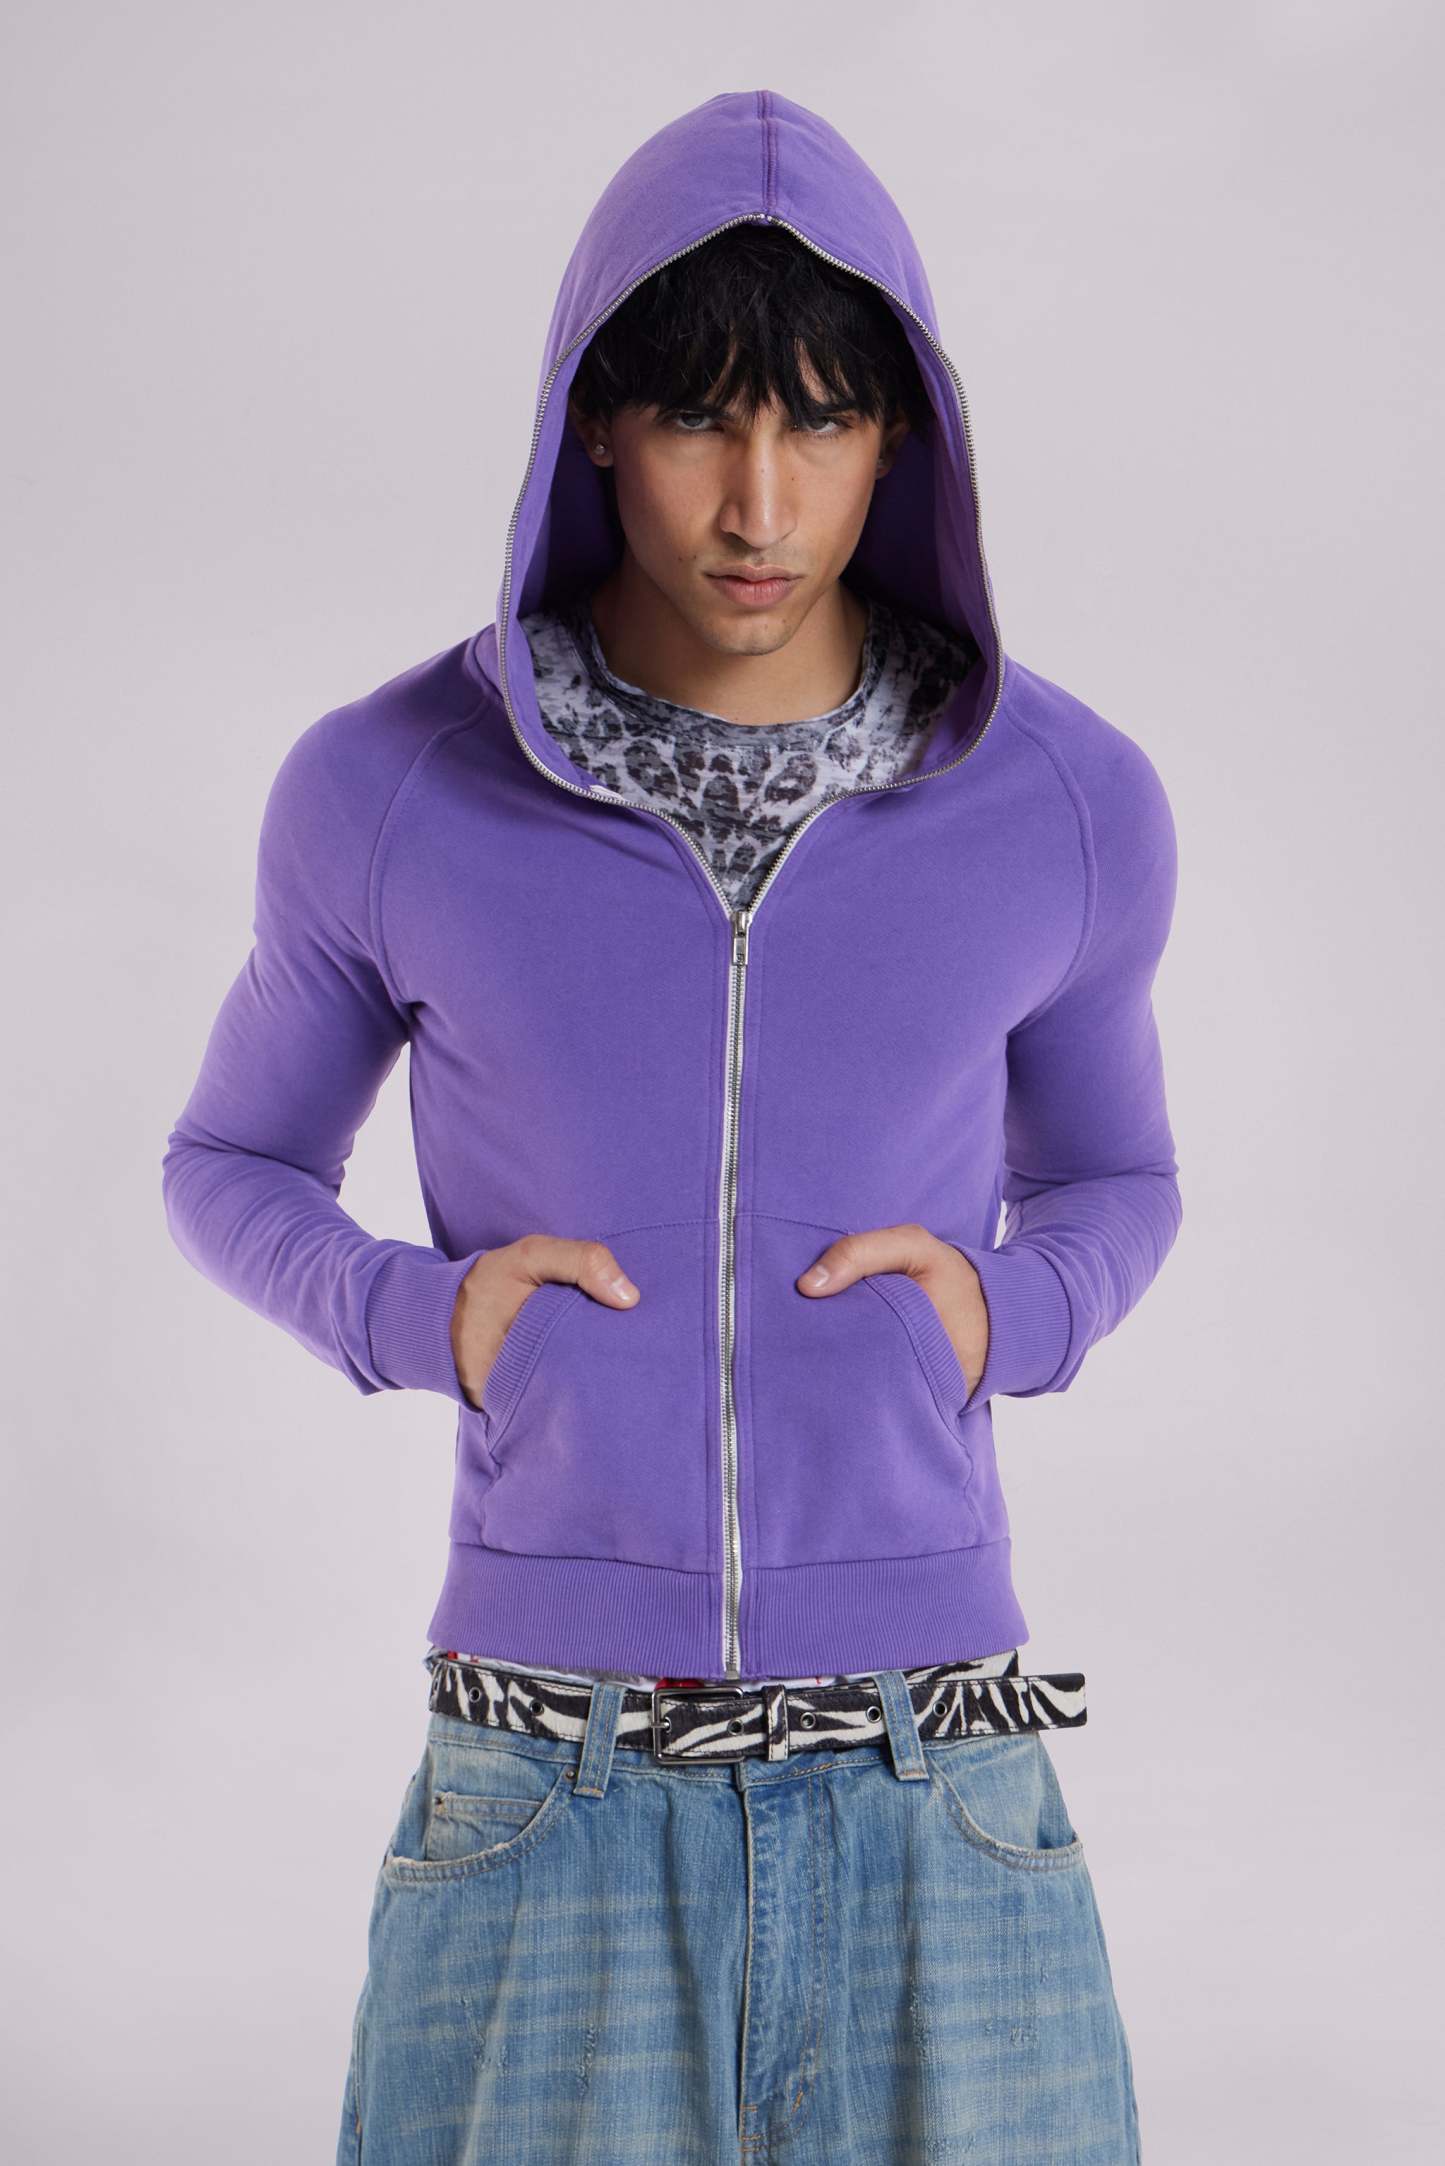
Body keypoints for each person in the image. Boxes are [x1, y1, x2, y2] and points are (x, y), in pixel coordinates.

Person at [162, 87, 1179, 2164]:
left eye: (820, 422)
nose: (757, 499)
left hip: (938, 1772)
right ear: (598, 426)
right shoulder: (390, 785)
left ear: (899, 442)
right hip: (546, 1782)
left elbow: (1117, 1179)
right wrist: (419, 1314)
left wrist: (1010, 1313)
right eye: (702, 418)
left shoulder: (1064, 799)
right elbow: (229, 1164)